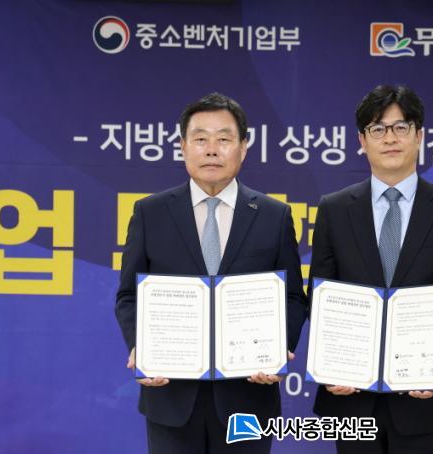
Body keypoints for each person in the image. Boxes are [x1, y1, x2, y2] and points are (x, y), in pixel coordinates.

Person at [115, 92, 307, 454]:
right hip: (171, 396)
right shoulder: (150, 213)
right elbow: (128, 295)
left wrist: (278, 348)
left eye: (224, 139)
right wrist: (141, 346)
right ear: (183, 147)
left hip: (248, 396)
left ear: (243, 148)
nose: (212, 150)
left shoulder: (274, 215)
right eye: (200, 139)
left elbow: (294, 297)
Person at [309, 85, 433, 453]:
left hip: (425, 396)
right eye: (377, 129)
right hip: (352, 396)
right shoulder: (334, 209)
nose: (390, 138)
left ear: (419, 135)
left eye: (401, 127)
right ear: (362, 141)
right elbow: (321, 293)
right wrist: (334, 361)